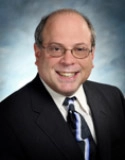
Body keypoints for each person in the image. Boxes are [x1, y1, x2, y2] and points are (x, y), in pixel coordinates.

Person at [0, 8, 125, 160]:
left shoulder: (113, 97)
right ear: (37, 53)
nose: (68, 61)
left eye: (80, 49)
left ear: (92, 54)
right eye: (56, 49)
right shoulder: (7, 117)